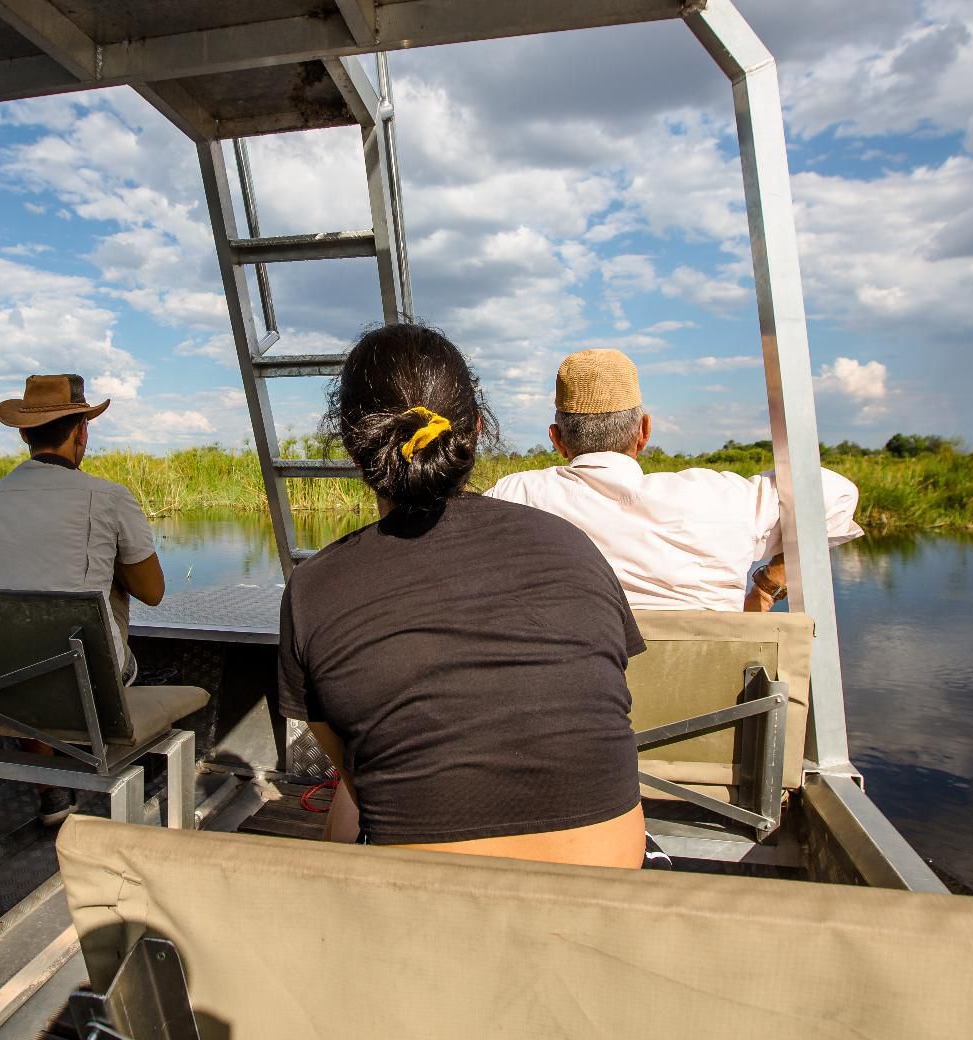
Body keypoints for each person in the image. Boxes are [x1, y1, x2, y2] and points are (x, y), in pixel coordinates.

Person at [278, 323, 650, 869]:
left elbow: (356, 771)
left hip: (428, 914)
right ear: (475, 430)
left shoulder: (314, 589)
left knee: (347, 799)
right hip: (606, 904)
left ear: (356, 450)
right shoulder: (572, 547)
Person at [0, 372, 165, 824]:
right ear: (82, 431)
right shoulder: (108, 497)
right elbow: (153, 592)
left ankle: (52, 788)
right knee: (93, 619)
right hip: (85, 682)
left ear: (23, 432)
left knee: (15, 647)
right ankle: (107, 767)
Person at [486, 349, 862, 612]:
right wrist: (765, 586)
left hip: (575, 719)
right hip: (716, 720)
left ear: (556, 439)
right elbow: (834, 495)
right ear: (644, 431)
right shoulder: (720, 498)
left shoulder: (514, 497)